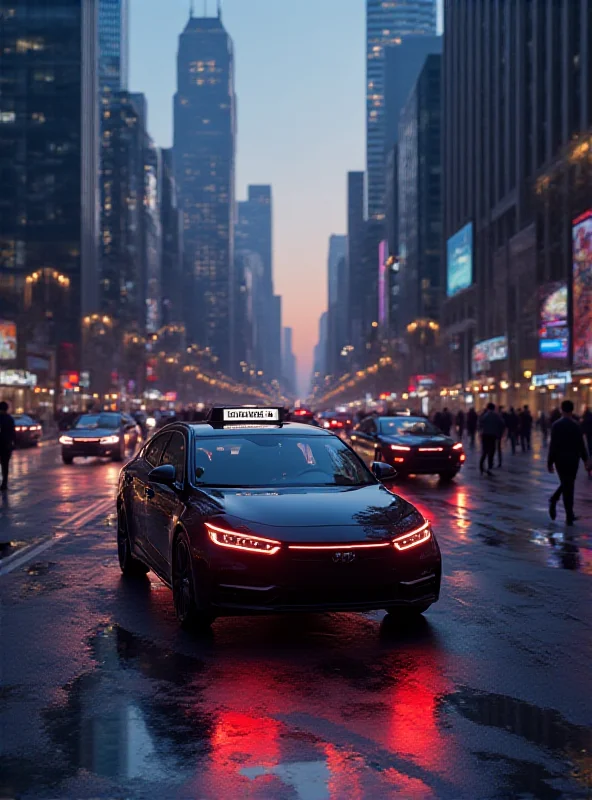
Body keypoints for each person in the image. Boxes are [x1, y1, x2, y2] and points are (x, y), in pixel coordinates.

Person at [548, 400, 589, 525]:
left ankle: (559, 504)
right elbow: (581, 444)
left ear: (562, 410)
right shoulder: (576, 425)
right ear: (572, 410)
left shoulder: (556, 425)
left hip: (560, 459)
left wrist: (550, 462)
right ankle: (569, 514)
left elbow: (553, 445)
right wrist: (585, 459)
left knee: (567, 484)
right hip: (573, 459)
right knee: (569, 484)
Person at [479, 403, 504, 476]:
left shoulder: (485, 415)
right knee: (492, 451)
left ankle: (481, 466)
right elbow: (502, 424)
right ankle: (490, 467)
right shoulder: (497, 416)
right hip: (493, 435)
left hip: (485, 435)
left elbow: (480, 423)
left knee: (485, 451)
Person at [0, 401, 16, 491]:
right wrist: (13, 443)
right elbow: (13, 433)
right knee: (5, 465)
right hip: (6, 445)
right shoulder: (9, 419)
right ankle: (4, 483)